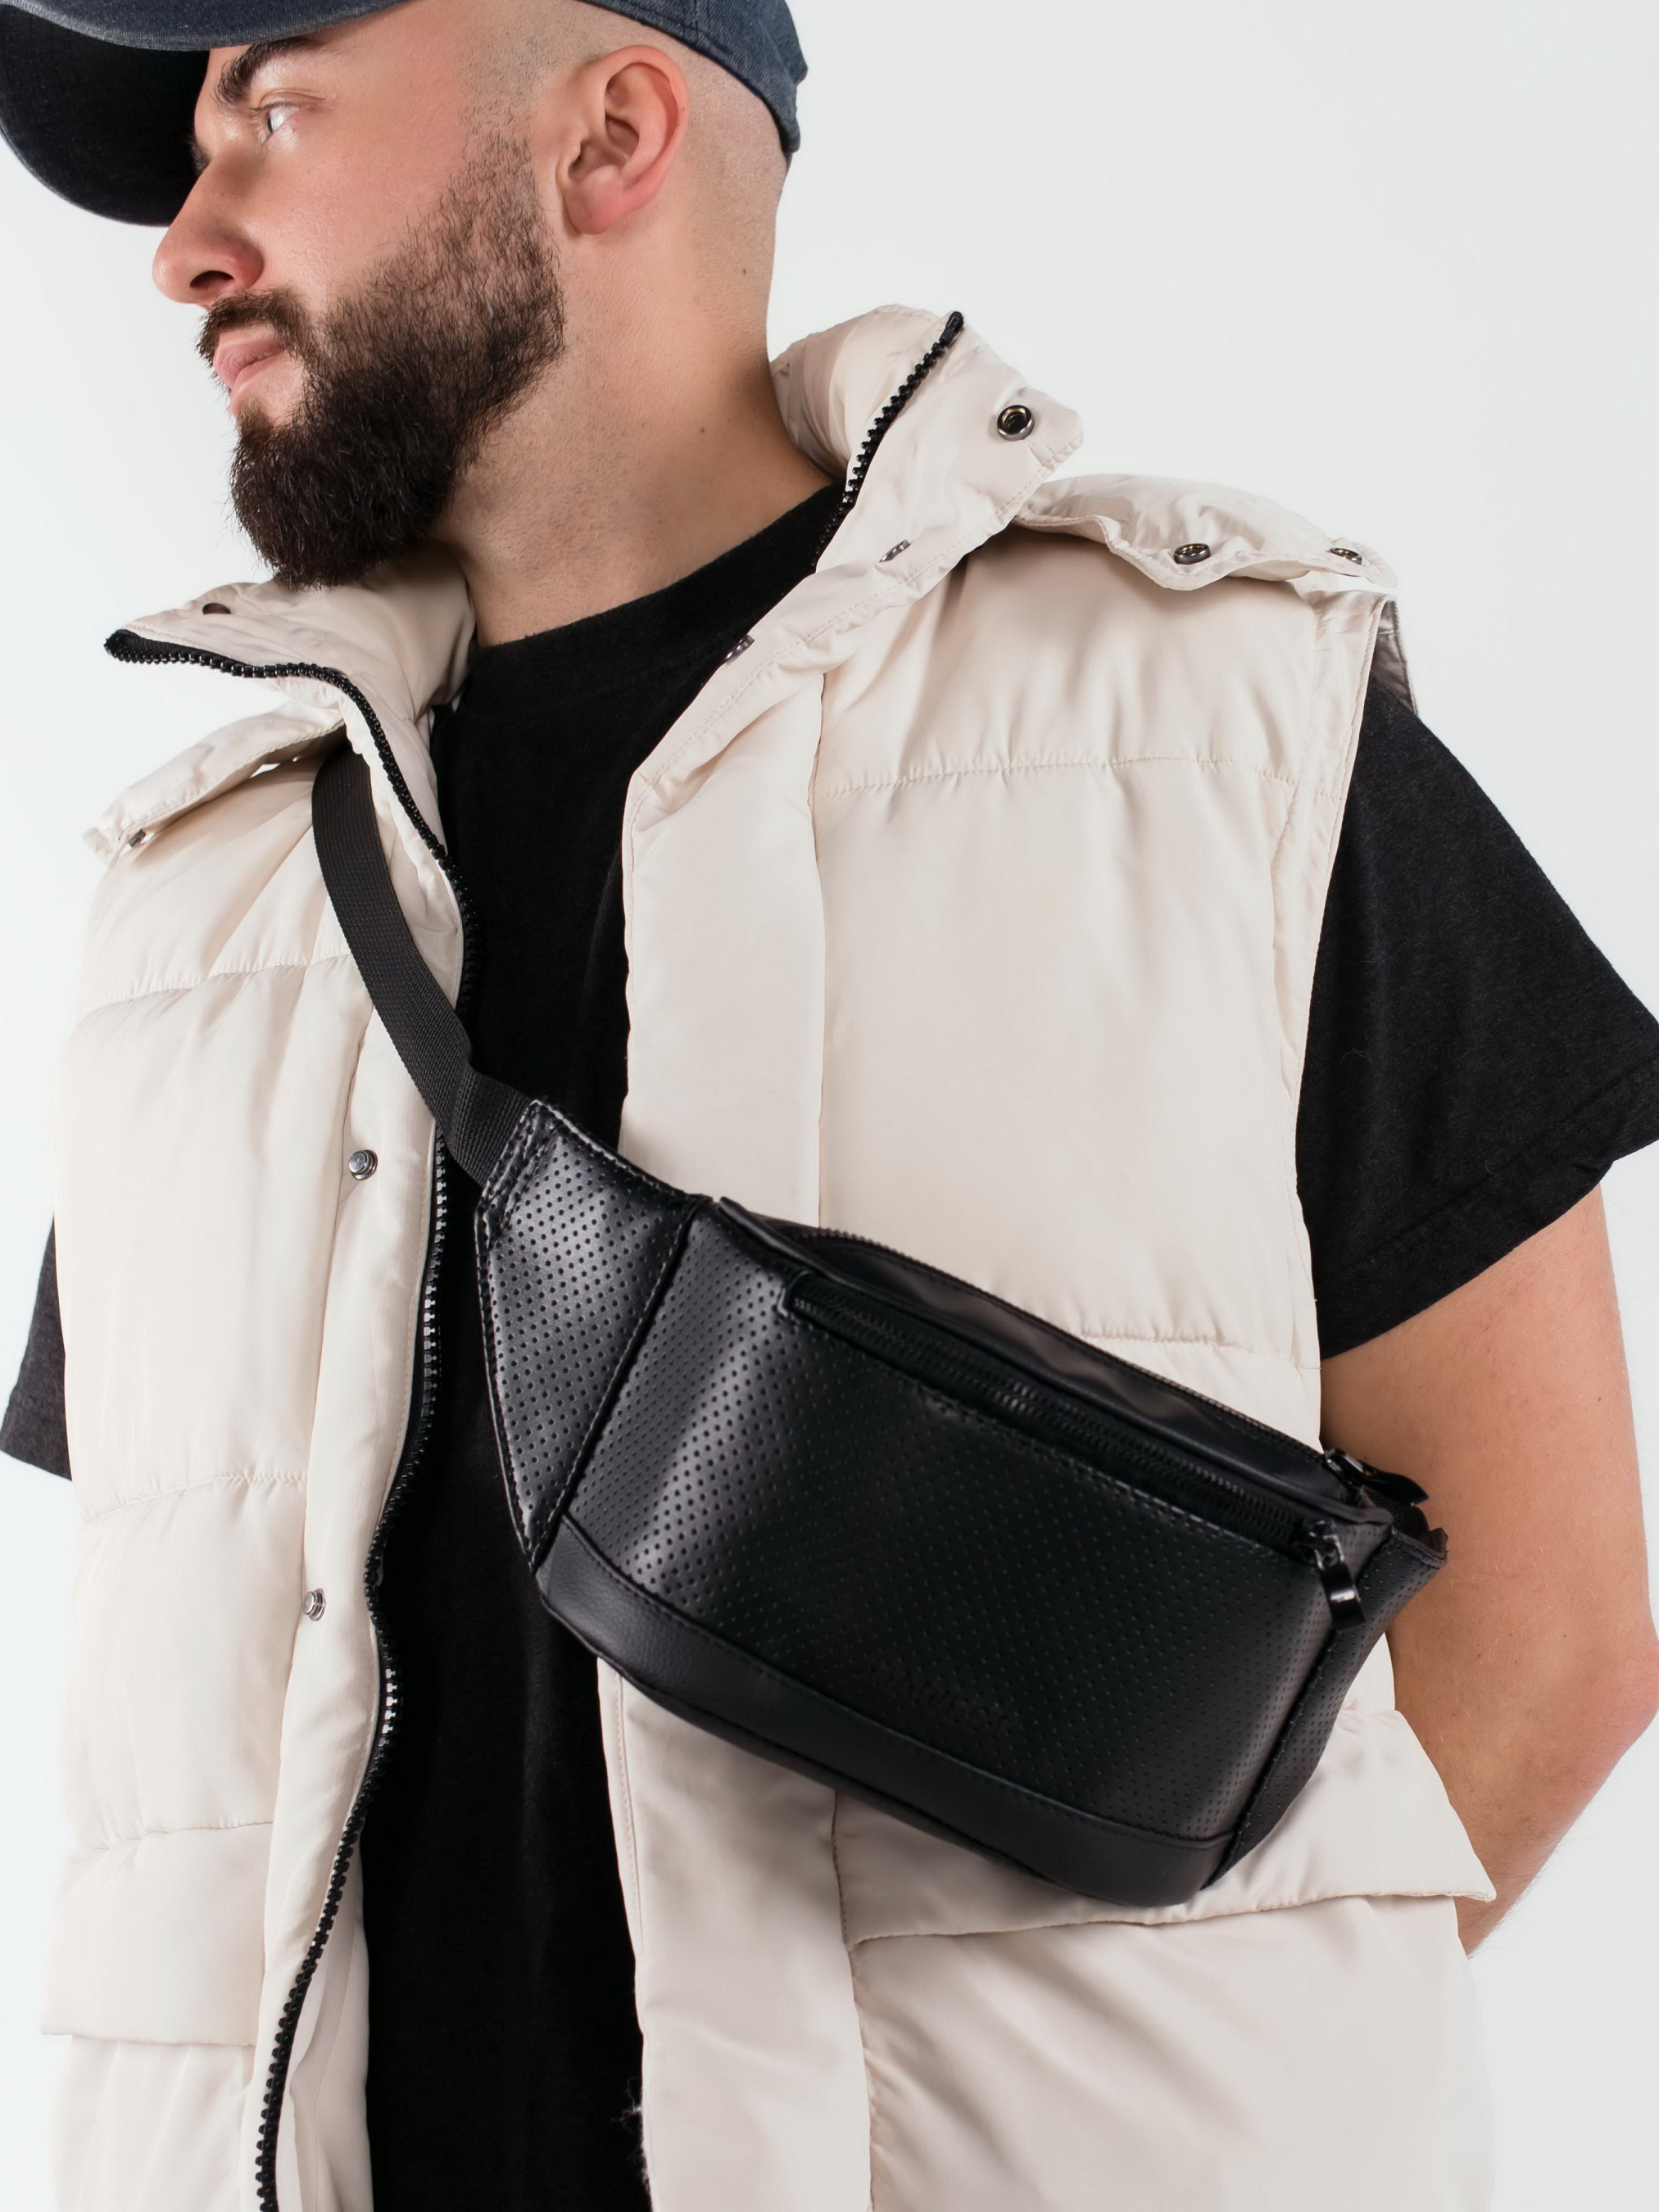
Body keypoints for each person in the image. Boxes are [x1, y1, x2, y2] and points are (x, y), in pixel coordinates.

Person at [1, 2, 1657, 2207]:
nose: (184, 248)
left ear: (609, 135)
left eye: (275, 114)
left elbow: (1548, 1631)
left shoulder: (1227, 730)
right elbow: (195, 1722)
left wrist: (1182, 2116)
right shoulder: (195, 905)